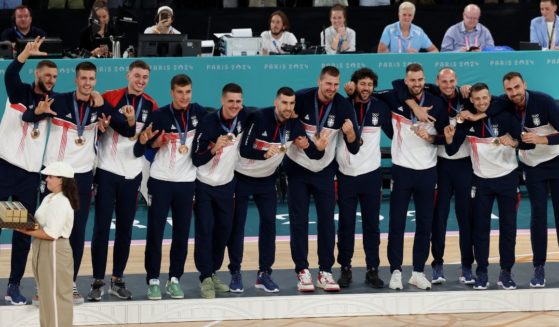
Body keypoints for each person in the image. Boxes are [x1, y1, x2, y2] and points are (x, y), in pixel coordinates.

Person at [23, 61, 131, 304]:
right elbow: (28, 116)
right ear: (75, 80)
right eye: (83, 79)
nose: (87, 83)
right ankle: (42, 286)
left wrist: (111, 109)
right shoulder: (59, 101)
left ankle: (69, 283)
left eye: (91, 79)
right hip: (54, 174)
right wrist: (38, 112)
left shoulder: (99, 105)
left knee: (75, 232)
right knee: (44, 230)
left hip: (81, 177)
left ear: (95, 81)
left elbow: (125, 130)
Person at [226, 87, 320, 293]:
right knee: (238, 226)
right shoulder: (259, 117)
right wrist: (264, 155)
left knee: (269, 226)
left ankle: (264, 274)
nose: (288, 107)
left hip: (267, 181)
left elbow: (313, 153)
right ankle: (235, 273)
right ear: (276, 102)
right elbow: (244, 149)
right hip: (242, 177)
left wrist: (313, 146)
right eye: (284, 103)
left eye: (292, 104)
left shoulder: (294, 125)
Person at [392, 68, 476, 285]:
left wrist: (436, 136)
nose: (448, 85)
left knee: (465, 217)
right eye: (443, 81)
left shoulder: (466, 96)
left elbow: (492, 102)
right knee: (438, 219)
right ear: (436, 82)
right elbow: (398, 85)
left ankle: (467, 265)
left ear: (457, 81)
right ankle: (437, 264)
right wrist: (414, 106)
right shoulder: (430, 93)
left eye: (451, 81)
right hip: (441, 166)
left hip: (464, 163)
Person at [87, 60, 158, 302]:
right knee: (101, 228)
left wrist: (145, 141)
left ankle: (117, 279)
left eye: (145, 77)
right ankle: (97, 280)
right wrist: (102, 127)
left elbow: (142, 148)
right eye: (137, 75)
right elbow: (96, 130)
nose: (140, 81)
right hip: (107, 170)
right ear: (128, 75)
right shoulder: (110, 97)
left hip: (132, 174)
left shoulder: (151, 105)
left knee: (125, 230)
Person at [286, 66, 359, 292]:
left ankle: (325, 271)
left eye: (336, 85)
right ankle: (302, 270)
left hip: (325, 171)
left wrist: (349, 134)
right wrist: (298, 131)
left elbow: (354, 147)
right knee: (299, 221)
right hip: (298, 167)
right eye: (328, 84)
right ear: (319, 81)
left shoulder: (343, 106)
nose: (332, 89)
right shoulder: (300, 98)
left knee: (327, 222)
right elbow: (285, 119)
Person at [133, 74, 206, 300]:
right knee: (155, 232)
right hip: (161, 180)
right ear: (172, 93)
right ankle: (153, 279)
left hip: (186, 182)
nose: (184, 97)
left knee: (182, 234)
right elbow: (141, 149)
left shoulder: (199, 113)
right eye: (180, 92)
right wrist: (153, 144)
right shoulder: (159, 115)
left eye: (188, 92)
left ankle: (175, 279)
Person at [444, 82, 520, 290]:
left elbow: (522, 141)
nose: (482, 102)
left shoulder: (504, 114)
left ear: (490, 97)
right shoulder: (466, 121)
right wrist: (449, 139)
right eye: (477, 99)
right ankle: (482, 272)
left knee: (508, 229)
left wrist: (513, 143)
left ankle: (506, 272)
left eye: (485, 98)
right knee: (480, 230)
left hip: (507, 179)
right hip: (481, 182)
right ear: (471, 100)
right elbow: (451, 151)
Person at [380, 63, 448, 291]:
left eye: (420, 79)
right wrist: (413, 107)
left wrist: (430, 138)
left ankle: (418, 271)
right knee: (396, 224)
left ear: (424, 79)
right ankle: (396, 271)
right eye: (412, 80)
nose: (416, 84)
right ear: (406, 81)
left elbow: (445, 137)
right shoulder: (394, 98)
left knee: (424, 225)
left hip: (428, 172)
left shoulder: (437, 103)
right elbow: (393, 86)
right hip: (401, 170)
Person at [0, 36, 56, 306]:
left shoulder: (53, 103)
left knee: (22, 233)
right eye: (46, 74)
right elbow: (10, 73)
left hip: (29, 176)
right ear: (37, 74)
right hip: (5, 168)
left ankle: (13, 286)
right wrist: (23, 54)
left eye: (54, 76)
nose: (50, 79)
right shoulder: (19, 91)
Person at [335, 68, 392, 289]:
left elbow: (393, 132)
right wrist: (348, 95)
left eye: (370, 84)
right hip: (346, 173)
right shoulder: (343, 105)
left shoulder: (379, 107)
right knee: (346, 225)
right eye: (362, 84)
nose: (366, 88)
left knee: (371, 226)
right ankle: (345, 269)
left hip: (371, 173)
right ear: (354, 85)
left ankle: (372, 269)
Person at [501, 72, 559, 288]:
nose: (514, 93)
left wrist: (542, 139)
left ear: (524, 84)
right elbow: (483, 106)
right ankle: (539, 267)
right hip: (533, 168)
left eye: (517, 87)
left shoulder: (544, 101)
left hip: (556, 161)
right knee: (538, 217)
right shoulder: (504, 104)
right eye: (509, 89)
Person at [192, 83, 248, 299]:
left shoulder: (243, 117)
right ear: (223, 101)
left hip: (227, 184)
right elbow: (197, 158)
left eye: (238, 101)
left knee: (224, 230)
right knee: (205, 229)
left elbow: (266, 115)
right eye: (231, 101)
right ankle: (205, 276)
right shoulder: (208, 123)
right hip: (204, 184)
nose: (235, 105)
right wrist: (214, 148)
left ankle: (213, 271)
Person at [16, 161, 78, 327]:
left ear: (61, 180)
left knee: (57, 298)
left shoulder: (62, 202)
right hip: (44, 249)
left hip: (55, 250)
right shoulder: (50, 198)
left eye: (50, 176)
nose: (47, 179)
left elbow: (51, 234)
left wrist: (24, 230)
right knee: (46, 296)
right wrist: (19, 220)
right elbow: (39, 223)